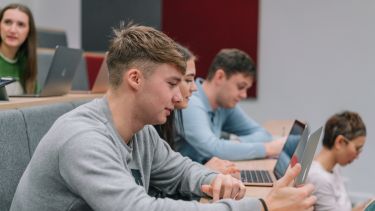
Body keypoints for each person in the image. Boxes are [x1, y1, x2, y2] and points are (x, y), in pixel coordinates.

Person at [11, 23, 316, 211]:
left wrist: (213, 180)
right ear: (135, 79)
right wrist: (261, 205)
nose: (179, 95)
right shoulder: (84, 139)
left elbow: (179, 170)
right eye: (171, 83)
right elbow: (139, 209)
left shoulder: (140, 130)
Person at [176, 48, 285, 164]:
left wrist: (233, 142)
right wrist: (268, 149)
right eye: (240, 87)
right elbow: (213, 149)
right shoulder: (191, 102)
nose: (244, 95)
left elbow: (264, 135)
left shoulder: (224, 105)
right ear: (220, 77)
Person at [155, 44, 239, 175]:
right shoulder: (152, 124)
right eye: (188, 80)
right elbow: (160, 182)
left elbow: (169, 176)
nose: (194, 88)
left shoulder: (168, 116)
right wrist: (204, 171)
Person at [306, 111, 367, 211]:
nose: (357, 156)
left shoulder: (334, 167)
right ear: (340, 142)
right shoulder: (319, 179)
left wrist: (366, 206)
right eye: (357, 148)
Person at [0, 3, 37, 95]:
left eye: (20, 24)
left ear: (29, 31)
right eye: (8, 22)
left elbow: (35, 95)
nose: (13, 30)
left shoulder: (26, 61)